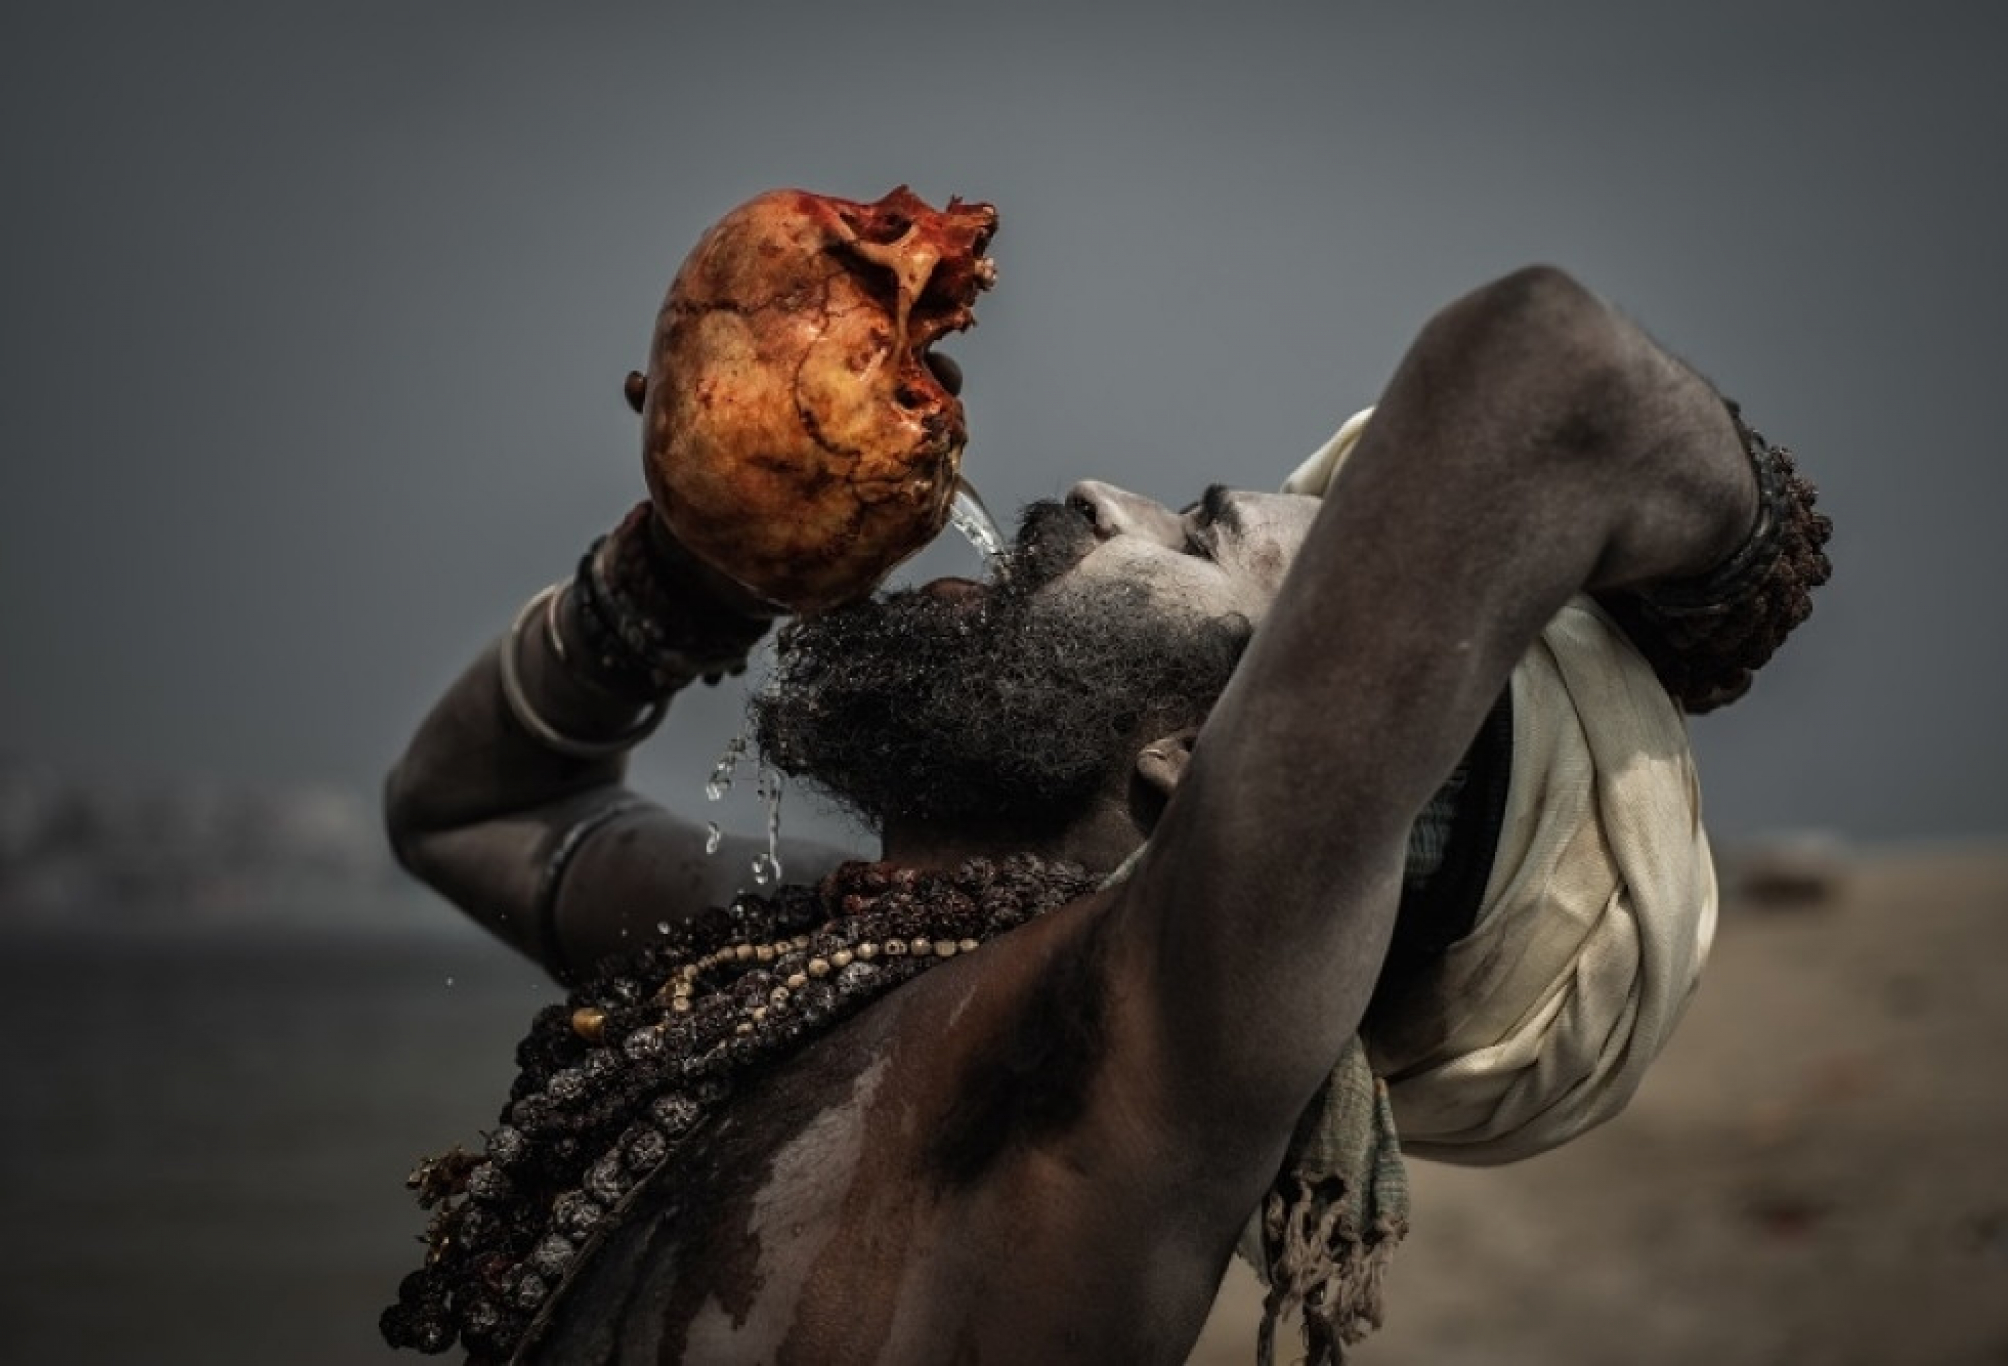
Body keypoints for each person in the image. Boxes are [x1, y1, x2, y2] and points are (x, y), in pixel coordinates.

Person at [380, 265, 1830, 1365]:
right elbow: (472, 806)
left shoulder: (1113, 1054)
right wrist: (682, 569)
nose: (1091, 493)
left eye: (1197, 535)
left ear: (1210, 761)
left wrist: (1740, 581)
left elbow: (1555, 379)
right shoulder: (798, 968)